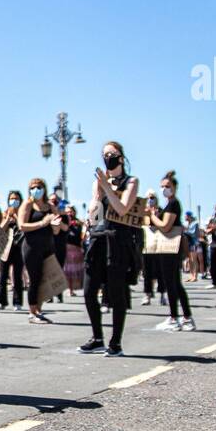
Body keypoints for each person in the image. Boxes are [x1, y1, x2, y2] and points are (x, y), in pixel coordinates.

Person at [79, 141, 138, 356]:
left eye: (111, 153)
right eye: (104, 154)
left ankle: (116, 342)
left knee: (116, 292)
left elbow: (122, 208)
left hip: (118, 239)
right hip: (98, 237)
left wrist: (107, 187)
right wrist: (94, 203)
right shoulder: (99, 182)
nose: (107, 157)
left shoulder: (131, 181)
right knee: (88, 291)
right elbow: (95, 211)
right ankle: (97, 337)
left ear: (121, 157)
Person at [147, 171, 194, 331]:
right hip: (165, 247)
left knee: (172, 282)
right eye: (162, 187)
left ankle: (176, 317)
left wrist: (153, 216)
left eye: (167, 186)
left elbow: (166, 226)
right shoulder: (169, 204)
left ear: (174, 187)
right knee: (174, 283)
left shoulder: (173, 204)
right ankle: (184, 317)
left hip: (170, 247)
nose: (164, 189)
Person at [18, 177, 59, 324]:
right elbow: (21, 225)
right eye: (33, 187)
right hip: (31, 246)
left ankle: (39, 310)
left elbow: (56, 230)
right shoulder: (28, 204)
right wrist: (42, 223)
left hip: (47, 246)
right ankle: (32, 312)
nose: (36, 190)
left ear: (44, 189)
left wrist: (55, 224)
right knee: (34, 279)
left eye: (39, 187)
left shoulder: (50, 206)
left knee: (45, 279)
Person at [0, 189, 25, 311]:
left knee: (17, 275)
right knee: (3, 276)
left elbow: (23, 227)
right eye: (12, 199)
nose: (14, 201)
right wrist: (8, 219)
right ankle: (1, 301)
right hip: (6, 248)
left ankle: (17, 302)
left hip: (19, 248)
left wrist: (17, 217)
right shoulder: (4, 213)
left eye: (16, 199)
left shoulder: (24, 213)